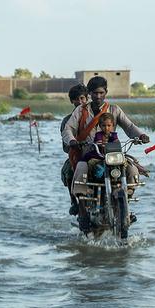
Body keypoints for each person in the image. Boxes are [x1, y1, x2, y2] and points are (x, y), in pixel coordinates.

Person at [62, 76, 149, 231]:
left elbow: (129, 126)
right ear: (89, 93)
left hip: (112, 154)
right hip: (90, 153)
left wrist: (141, 135)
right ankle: (82, 212)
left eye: (101, 93)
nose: (98, 96)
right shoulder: (80, 111)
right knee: (80, 172)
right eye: (94, 93)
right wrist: (72, 140)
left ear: (106, 92)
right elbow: (68, 128)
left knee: (132, 170)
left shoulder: (114, 110)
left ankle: (125, 205)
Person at [60, 84, 88, 215]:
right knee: (68, 172)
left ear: (87, 99)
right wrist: (73, 144)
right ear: (72, 101)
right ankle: (74, 202)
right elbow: (65, 145)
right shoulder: (67, 120)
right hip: (76, 155)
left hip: (96, 153)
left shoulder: (94, 116)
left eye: (82, 98)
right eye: (77, 99)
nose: (80, 102)